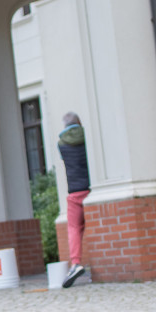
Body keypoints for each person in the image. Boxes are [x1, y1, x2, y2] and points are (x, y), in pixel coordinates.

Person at [59, 111, 90, 288]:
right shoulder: (88, 138)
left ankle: (76, 263)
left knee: (74, 228)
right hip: (92, 190)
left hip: (74, 192)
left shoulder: (61, 143)